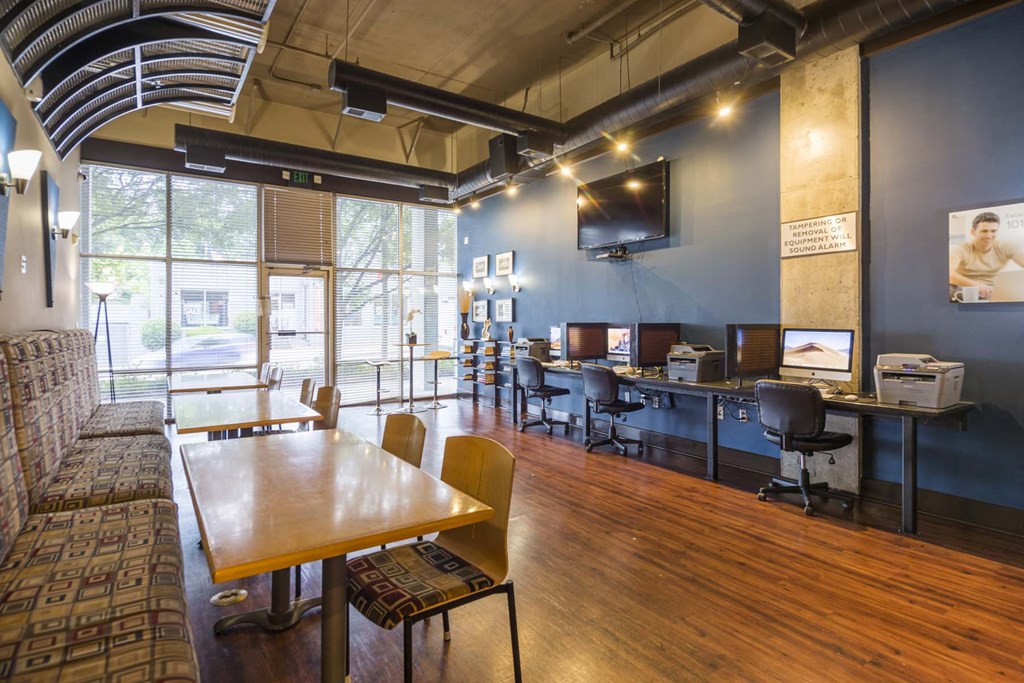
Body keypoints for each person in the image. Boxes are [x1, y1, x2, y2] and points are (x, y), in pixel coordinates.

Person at [949, 212, 1024, 300]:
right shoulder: (961, 249)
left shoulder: (1006, 247)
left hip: (994, 291)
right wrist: (976, 286)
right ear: (973, 232)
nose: (989, 236)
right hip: (966, 290)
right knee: (949, 289)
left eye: (993, 231)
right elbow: (948, 274)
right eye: (984, 231)